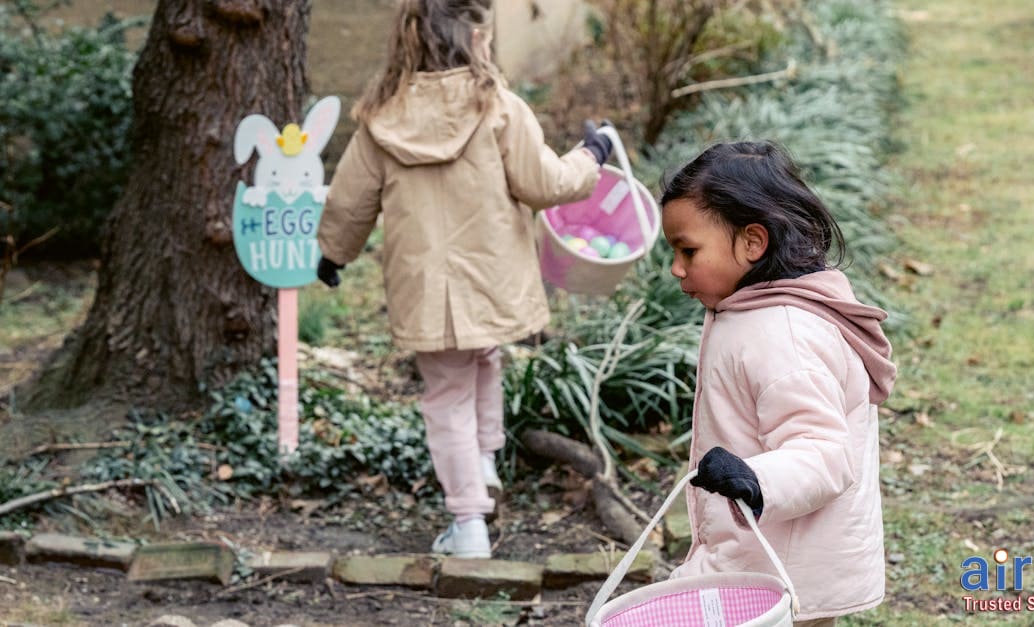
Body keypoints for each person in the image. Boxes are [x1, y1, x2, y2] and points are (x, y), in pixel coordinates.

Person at [315, 0, 611, 559]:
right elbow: (545, 182)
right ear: (475, 41)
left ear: (409, 42)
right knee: (483, 359)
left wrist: (332, 254)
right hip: (491, 278)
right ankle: (477, 491)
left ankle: (471, 506)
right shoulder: (497, 107)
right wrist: (591, 154)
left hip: (426, 289)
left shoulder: (382, 117)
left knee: (449, 390)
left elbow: (350, 201)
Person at [659, 141, 897, 625]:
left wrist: (755, 479)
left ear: (752, 242)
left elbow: (824, 454)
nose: (676, 268)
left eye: (689, 250)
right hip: (774, 556)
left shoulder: (781, 334)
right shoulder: (751, 310)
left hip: (784, 570)